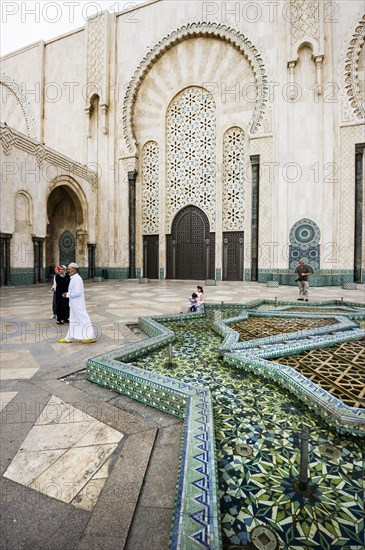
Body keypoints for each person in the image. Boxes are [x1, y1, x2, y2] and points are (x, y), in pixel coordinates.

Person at [58, 263, 96, 343]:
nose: (68, 270)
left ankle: (90, 336)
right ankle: (69, 338)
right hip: (74, 304)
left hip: (78, 304)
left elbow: (77, 292)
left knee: (83, 319)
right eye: (68, 269)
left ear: (75, 269)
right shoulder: (73, 278)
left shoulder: (77, 279)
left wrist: (67, 294)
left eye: (69, 269)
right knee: (73, 320)